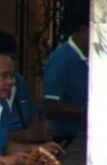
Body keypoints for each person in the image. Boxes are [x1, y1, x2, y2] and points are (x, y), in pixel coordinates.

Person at [41, 0, 90, 142]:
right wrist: (88, 110)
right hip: (64, 138)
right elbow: (49, 106)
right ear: (83, 29)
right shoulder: (61, 58)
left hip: (84, 135)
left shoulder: (92, 56)